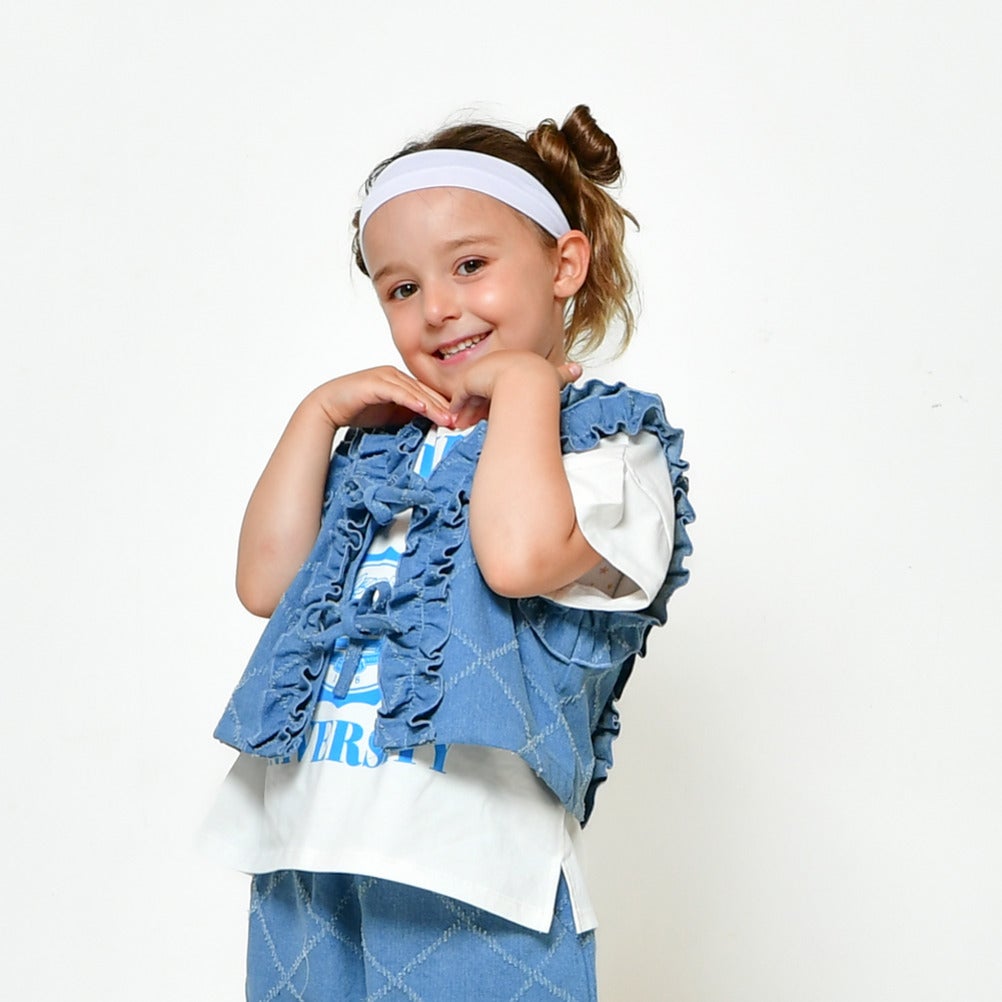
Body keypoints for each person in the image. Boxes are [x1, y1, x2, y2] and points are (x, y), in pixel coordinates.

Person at [200, 104, 694, 1001]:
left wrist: (526, 385)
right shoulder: (382, 454)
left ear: (564, 265)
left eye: (470, 266)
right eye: (401, 288)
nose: (436, 308)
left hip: (478, 877)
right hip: (308, 854)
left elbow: (516, 556)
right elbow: (267, 583)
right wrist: (317, 417)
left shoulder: (611, 448)